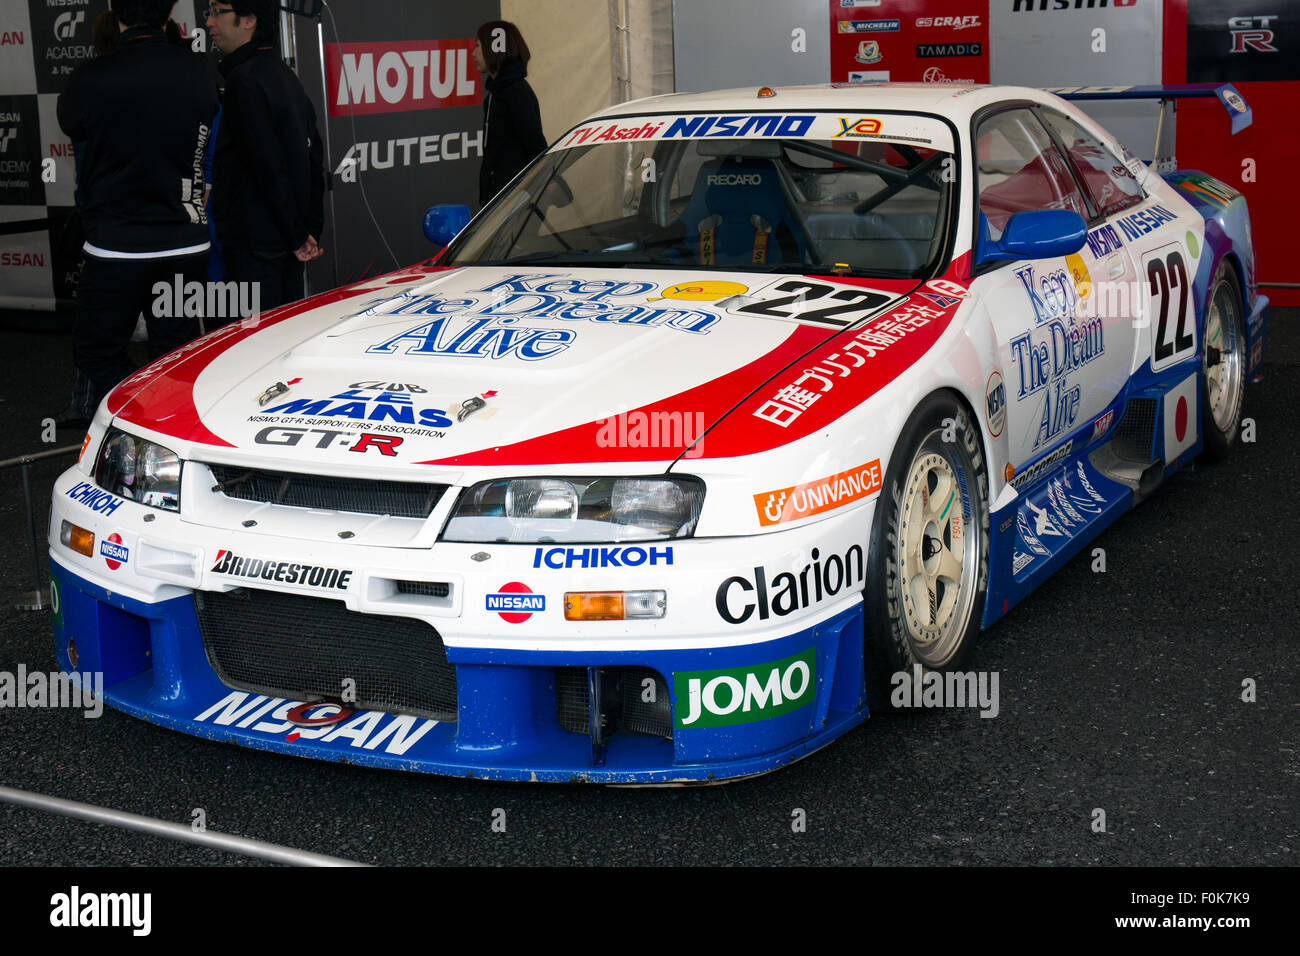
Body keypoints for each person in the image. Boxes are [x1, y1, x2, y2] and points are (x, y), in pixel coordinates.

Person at [55, 0, 219, 429]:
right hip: (185, 241)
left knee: (95, 348)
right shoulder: (199, 71)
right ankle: (162, 422)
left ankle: (142, 418)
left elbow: (74, 126)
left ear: (114, 10)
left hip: (117, 247)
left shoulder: (90, 78)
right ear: (168, 12)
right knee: (176, 350)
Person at [207, 0, 325, 313]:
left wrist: (300, 233)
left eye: (218, 12)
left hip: (257, 244)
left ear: (249, 20)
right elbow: (313, 156)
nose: (209, 23)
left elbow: (267, 163)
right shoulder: (284, 75)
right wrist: (306, 229)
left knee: (253, 341)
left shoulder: (244, 80)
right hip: (282, 239)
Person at [474, 21, 547, 207]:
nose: (473, 54)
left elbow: (536, 147)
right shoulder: (495, 95)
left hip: (514, 203)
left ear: (494, 49)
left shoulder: (515, 93)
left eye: (478, 46)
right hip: (497, 202)